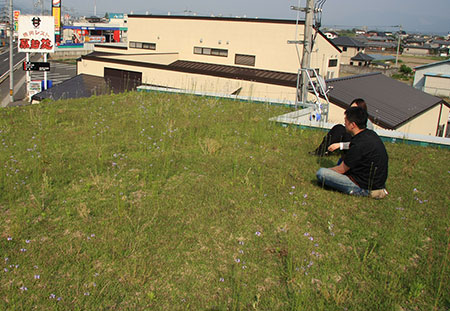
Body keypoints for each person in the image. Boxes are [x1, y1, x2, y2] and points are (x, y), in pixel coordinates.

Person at [316, 106, 388, 198]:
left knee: (322, 173)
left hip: (365, 187)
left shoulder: (358, 145)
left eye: (346, 121)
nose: (344, 123)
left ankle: (364, 193)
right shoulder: (370, 134)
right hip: (378, 183)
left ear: (352, 125)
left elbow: (341, 170)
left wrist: (329, 171)